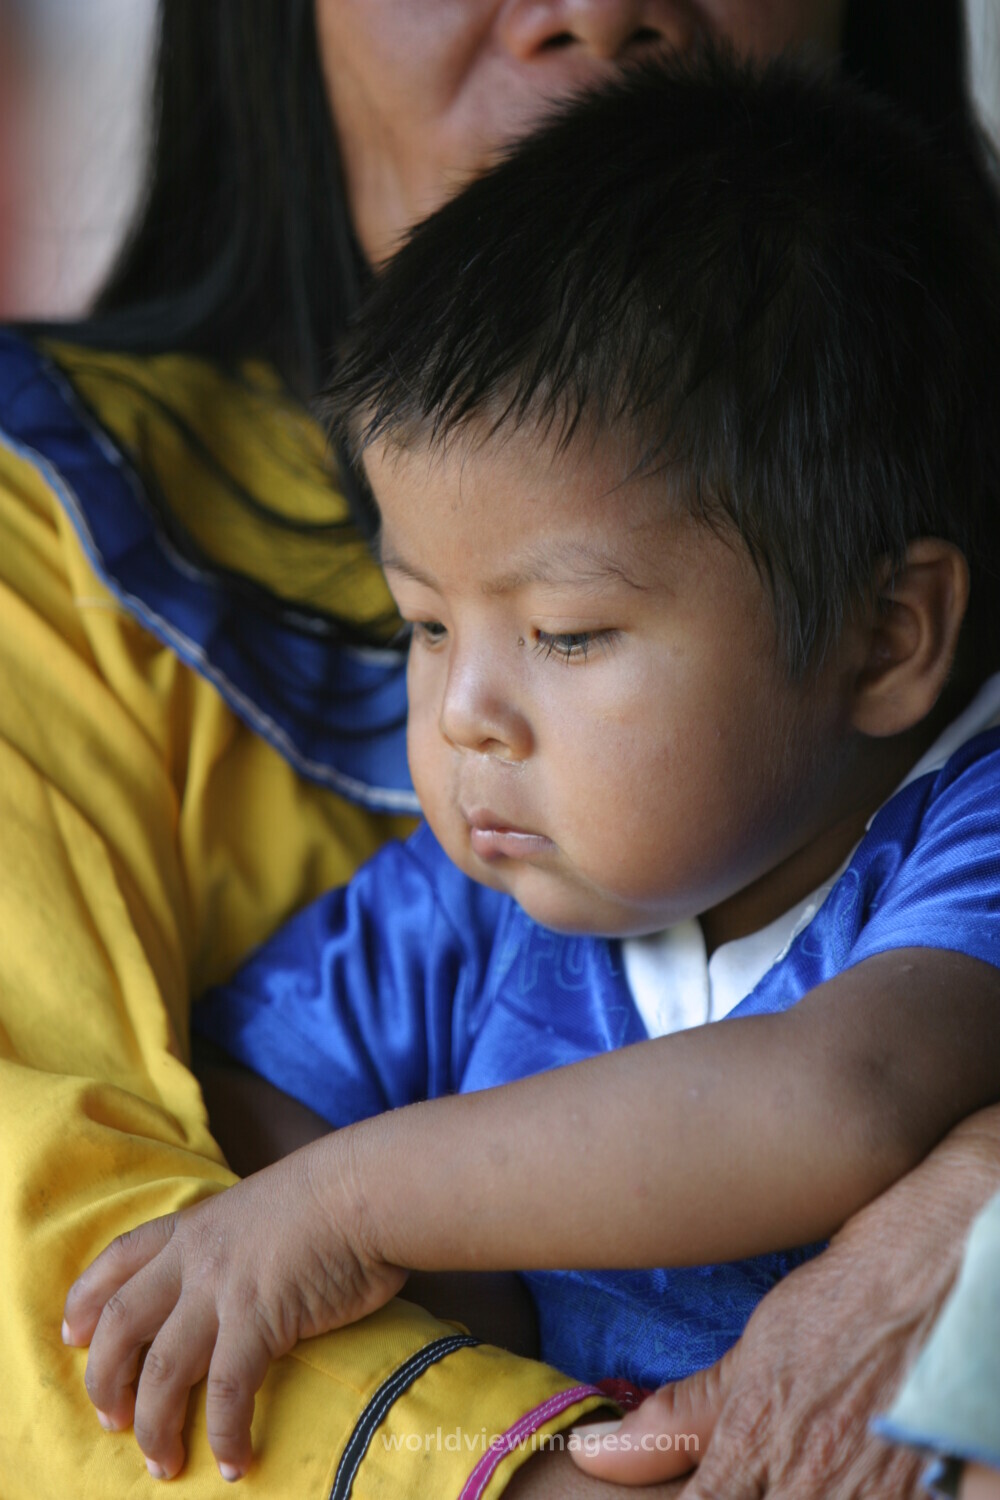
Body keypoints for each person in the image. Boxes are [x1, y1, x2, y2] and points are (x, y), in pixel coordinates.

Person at [2, 2, 998, 1497]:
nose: (465, 713)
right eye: (423, 626)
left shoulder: (963, 829)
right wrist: (474, 1346)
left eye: (572, 635)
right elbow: (233, 1104)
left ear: (886, 638)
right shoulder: (472, 895)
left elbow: (832, 1103)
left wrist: (353, 1210)